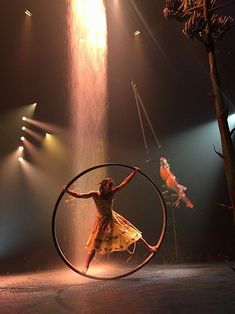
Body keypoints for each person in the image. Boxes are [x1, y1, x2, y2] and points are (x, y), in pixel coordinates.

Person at [64, 167, 157, 273]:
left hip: (112, 218)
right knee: (95, 244)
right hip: (102, 221)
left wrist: (134, 172)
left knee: (131, 233)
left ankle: (149, 247)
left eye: (111, 186)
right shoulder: (95, 194)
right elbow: (80, 195)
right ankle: (85, 267)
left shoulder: (111, 193)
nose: (110, 188)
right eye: (108, 186)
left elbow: (124, 183)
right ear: (103, 185)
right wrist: (67, 191)